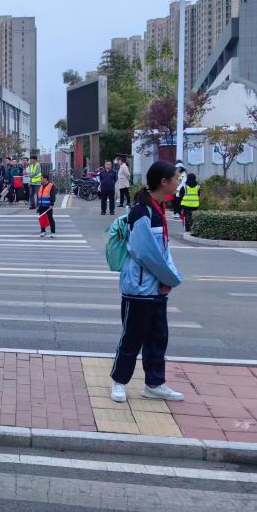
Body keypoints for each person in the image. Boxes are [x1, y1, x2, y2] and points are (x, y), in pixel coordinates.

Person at [109, 160, 185, 404]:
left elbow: (163, 250)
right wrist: (169, 278)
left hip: (156, 288)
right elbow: (145, 253)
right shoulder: (141, 212)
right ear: (163, 182)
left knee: (157, 338)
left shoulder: (157, 208)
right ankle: (119, 382)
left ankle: (154, 383)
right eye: (176, 178)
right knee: (132, 338)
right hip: (139, 288)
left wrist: (169, 278)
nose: (178, 182)